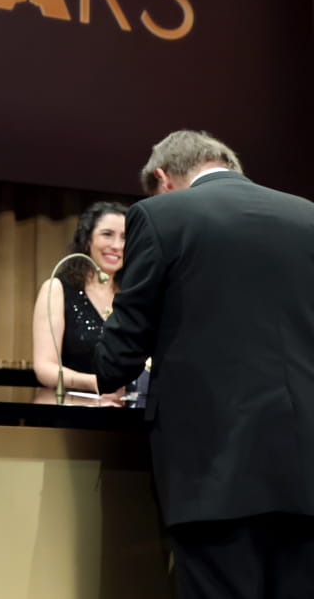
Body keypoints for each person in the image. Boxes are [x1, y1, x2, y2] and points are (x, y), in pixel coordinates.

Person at [93, 130, 314, 598]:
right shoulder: (307, 216)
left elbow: (117, 360)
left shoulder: (160, 215)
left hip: (214, 472)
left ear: (162, 179)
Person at [31, 201, 127, 399]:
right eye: (107, 234)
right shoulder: (57, 289)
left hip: (129, 414)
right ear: (87, 239)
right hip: (73, 412)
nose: (117, 245)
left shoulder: (134, 294)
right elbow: (45, 368)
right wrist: (96, 383)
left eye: (125, 237)